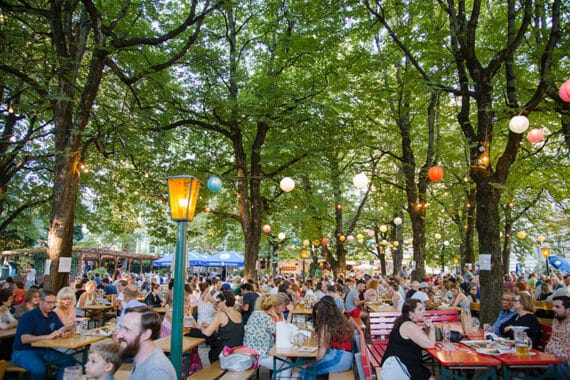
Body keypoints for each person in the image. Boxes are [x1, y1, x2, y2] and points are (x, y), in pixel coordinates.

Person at [11, 290, 74, 380]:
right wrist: (47, 336)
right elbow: (24, 339)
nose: (52, 305)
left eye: (54, 302)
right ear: (40, 302)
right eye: (49, 302)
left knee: (68, 361)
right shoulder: (28, 316)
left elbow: (59, 329)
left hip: (43, 349)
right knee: (39, 370)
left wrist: (65, 332)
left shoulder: (52, 315)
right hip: (23, 351)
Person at [296, 296, 354, 379]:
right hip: (345, 355)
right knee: (303, 361)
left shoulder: (326, 325)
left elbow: (321, 354)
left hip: (339, 358)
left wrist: (306, 364)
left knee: (306, 370)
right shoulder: (337, 319)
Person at [115, 306, 176, 379]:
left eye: (127, 330)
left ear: (146, 334)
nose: (118, 335)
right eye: (121, 328)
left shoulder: (156, 371)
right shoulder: (142, 358)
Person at [380, 299, 436, 380]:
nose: (424, 311)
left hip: (400, 363)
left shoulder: (405, 322)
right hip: (400, 367)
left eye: (423, 308)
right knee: (429, 377)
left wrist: (427, 329)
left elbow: (423, 340)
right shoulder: (409, 325)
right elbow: (430, 344)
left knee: (427, 374)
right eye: (420, 309)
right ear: (411, 313)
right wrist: (432, 327)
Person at [243, 294, 291, 378]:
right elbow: (280, 334)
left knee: (284, 363)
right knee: (287, 364)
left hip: (251, 352)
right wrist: (276, 316)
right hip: (260, 355)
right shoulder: (265, 317)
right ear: (271, 307)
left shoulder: (255, 314)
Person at [199, 290, 244, 363]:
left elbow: (207, 333)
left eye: (217, 302)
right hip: (237, 351)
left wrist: (201, 327)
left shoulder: (221, 315)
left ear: (224, 301)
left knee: (211, 353)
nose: (216, 305)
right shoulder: (238, 313)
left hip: (225, 353)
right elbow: (230, 329)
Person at [544, 295, 570, 378]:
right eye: (553, 306)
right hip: (548, 358)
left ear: (568, 310)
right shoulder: (556, 320)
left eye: (557, 307)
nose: (553, 309)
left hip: (563, 364)